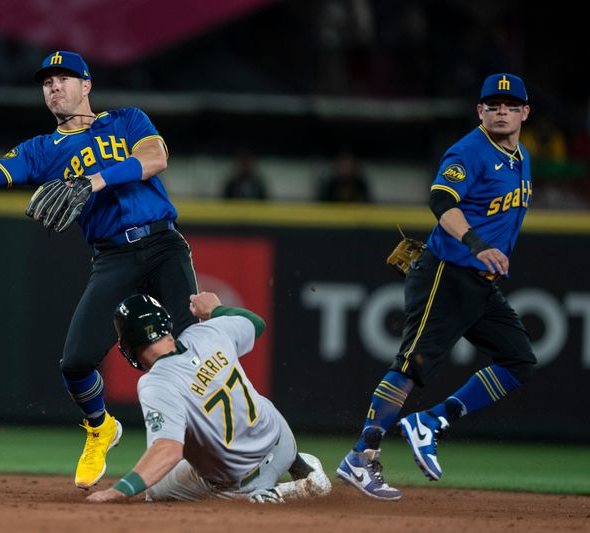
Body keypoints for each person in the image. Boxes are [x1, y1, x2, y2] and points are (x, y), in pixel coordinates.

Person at [0, 51, 199, 489]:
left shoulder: (126, 120)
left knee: (195, 347)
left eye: (63, 78)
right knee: (75, 362)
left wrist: (95, 180)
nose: (53, 87)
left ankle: (222, 442)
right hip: (113, 257)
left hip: (164, 243)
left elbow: (155, 159)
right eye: (46, 82)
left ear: (86, 85)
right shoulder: (41, 151)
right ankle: (100, 428)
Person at [336, 73, 537, 500]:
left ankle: (431, 421)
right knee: (413, 365)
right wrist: (476, 243)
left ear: (525, 112)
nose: (501, 110)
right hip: (448, 272)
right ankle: (360, 457)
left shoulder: (523, 159)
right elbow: (441, 200)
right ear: (479, 110)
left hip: (480, 284)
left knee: (518, 360)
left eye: (510, 104)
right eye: (492, 104)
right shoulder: (469, 151)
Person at [86, 291, 331, 503]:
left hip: (242, 481)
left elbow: (168, 450)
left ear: (127, 344)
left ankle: (276, 494)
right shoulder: (208, 332)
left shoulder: (156, 383)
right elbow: (255, 323)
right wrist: (216, 309)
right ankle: (299, 466)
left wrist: (119, 492)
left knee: (155, 489)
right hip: (282, 440)